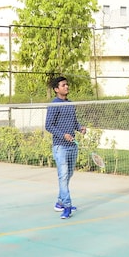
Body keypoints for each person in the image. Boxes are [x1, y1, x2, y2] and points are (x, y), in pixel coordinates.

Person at [45, 75, 86, 219]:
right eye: (63, 85)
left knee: (68, 175)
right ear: (56, 89)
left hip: (72, 146)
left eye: (67, 84)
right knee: (63, 176)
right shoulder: (54, 104)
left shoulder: (70, 103)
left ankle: (60, 202)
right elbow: (48, 125)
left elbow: (73, 122)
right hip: (60, 147)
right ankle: (67, 206)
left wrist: (80, 128)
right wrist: (63, 135)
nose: (66, 87)